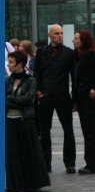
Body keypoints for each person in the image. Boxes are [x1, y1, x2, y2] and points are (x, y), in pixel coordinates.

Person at [5, 50, 50, 192]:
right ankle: (14, 186)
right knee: (11, 156)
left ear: (19, 64)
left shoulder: (30, 80)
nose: (8, 65)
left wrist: (11, 99)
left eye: (11, 62)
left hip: (25, 122)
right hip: (9, 122)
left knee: (27, 153)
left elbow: (29, 100)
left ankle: (29, 183)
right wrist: (17, 100)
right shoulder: (7, 80)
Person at [34, 24, 76, 173]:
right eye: (56, 33)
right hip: (45, 96)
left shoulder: (69, 53)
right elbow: (37, 73)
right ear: (49, 35)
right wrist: (39, 92)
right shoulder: (41, 53)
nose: (60, 36)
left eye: (61, 33)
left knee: (68, 130)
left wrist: (74, 97)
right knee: (44, 132)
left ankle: (70, 163)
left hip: (62, 96)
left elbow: (74, 76)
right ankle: (46, 163)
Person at [72, 30, 95, 175]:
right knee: (89, 131)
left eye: (76, 39)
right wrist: (75, 100)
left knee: (90, 131)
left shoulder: (90, 55)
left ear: (83, 41)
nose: (73, 41)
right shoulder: (78, 56)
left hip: (90, 99)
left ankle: (93, 164)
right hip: (82, 98)